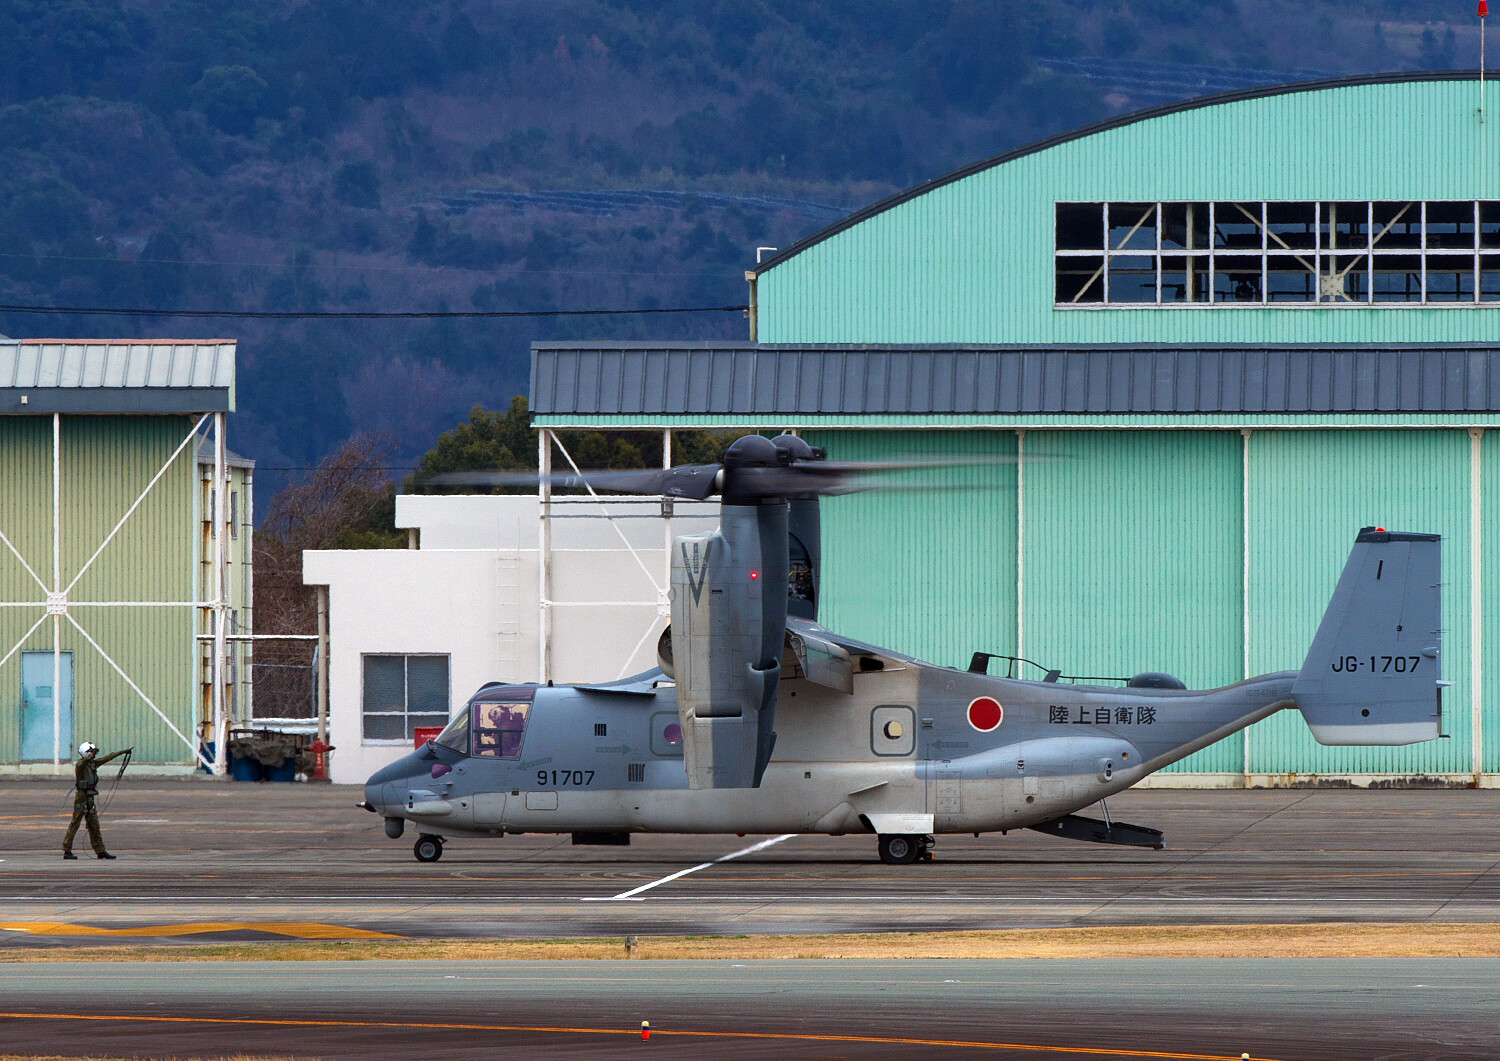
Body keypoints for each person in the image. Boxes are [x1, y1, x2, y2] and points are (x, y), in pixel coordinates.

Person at [62, 741, 131, 860]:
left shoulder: (92, 764)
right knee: (75, 823)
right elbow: (82, 762)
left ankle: (100, 851)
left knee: (94, 825)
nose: (94, 754)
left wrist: (122, 752)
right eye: (91, 752)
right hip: (81, 797)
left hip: (90, 797)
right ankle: (67, 850)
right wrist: (89, 756)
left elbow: (107, 758)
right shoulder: (80, 765)